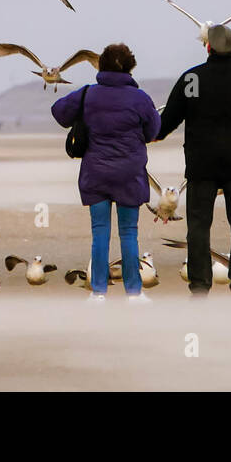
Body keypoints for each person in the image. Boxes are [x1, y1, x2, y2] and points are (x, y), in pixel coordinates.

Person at [156, 25, 231, 295]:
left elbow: (170, 119)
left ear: (208, 47)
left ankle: (200, 285)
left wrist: (151, 134)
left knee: (198, 227)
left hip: (202, 164)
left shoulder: (193, 79)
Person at [51, 43, 160, 303]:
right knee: (128, 233)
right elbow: (153, 131)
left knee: (100, 232)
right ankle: (134, 293)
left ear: (101, 65)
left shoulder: (88, 94)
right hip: (130, 175)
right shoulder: (141, 98)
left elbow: (58, 111)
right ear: (131, 66)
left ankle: (98, 292)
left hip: (96, 173)